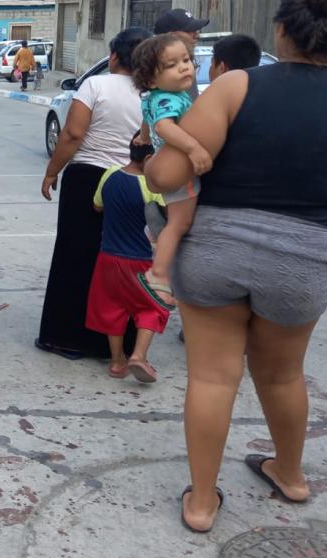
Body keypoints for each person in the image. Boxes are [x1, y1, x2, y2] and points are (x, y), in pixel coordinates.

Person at [144, 0, 327, 533]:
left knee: (212, 377)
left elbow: (168, 176)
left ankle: (202, 503)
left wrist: (157, 155)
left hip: (217, 250)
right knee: (282, 376)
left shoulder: (238, 87)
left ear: (281, 29)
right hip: (305, 255)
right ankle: (291, 474)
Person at [37, 27, 152, 359]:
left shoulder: (95, 84)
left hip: (88, 178)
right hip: (132, 183)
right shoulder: (152, 94)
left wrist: (52, 171)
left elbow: (73, 133)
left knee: (75, 255)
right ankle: (121, 342)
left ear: (114, 56)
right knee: (126, 259)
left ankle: (67, 338)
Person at [129, 33, 206, 309]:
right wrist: (194, 148)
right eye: (172, 65)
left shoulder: (155, 97)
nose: (184, 67)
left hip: (167, 169)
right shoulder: (170, 100)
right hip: (180, 171)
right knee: (179, 224)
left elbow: (148, 121)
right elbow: (164, 126)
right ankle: (159, 273)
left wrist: (144, 136)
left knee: (176, 221)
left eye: (186, 60)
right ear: (151, 79)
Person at [86, 133, 169, 383]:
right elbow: (166, 220)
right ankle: (139, 357)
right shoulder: (152, 186)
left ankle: (117, 361)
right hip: (141, 260)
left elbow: (97, 206)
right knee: (152, 306)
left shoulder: (110, 173)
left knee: (113, 308)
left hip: (108, 257)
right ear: (149, 158)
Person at [154, 9, 209, 101]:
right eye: (190, 31)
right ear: (171, 36)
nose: (197, 36)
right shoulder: (156, 66)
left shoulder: (186, 63)